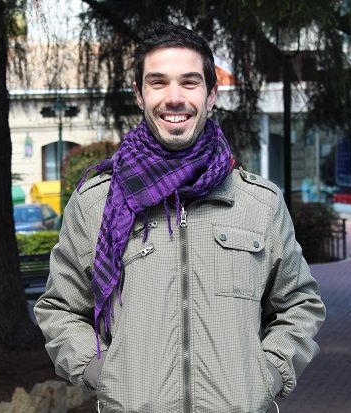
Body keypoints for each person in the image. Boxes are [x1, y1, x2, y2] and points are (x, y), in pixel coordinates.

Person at [35, 23, 326, 413]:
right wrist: (102, 372)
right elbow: (61, 308)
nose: (174, 98)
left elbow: (300, 304)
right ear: (139, 94)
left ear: (211, 95)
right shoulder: (97, 202)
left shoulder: (259, 203)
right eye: (158, 83)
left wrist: (268, 374)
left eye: (190, 82)